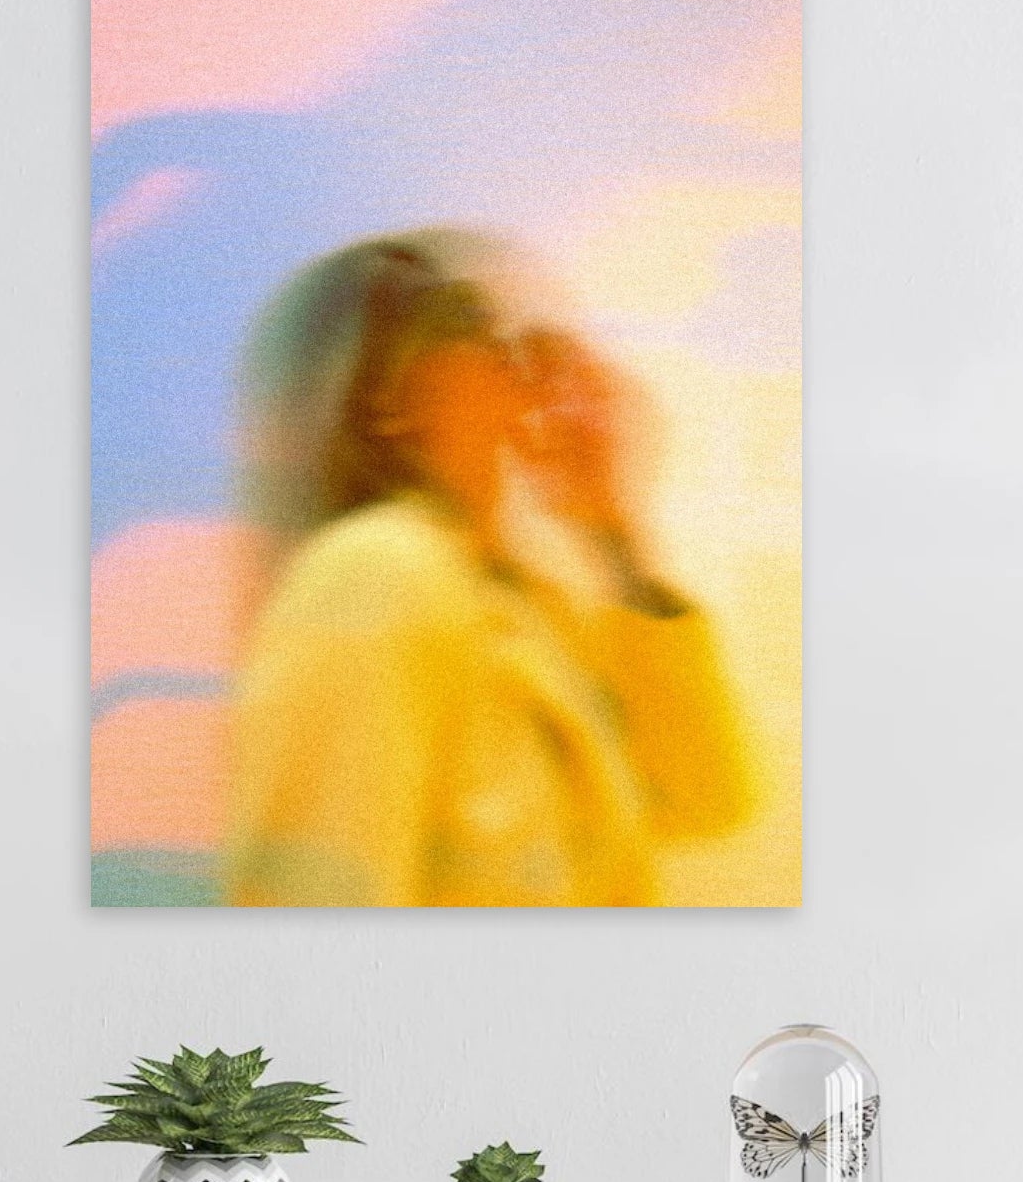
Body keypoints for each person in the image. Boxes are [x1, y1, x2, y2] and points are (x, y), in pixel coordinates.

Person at [223, 233, 754, 907]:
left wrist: (611, 529)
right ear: (388, 399)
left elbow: (703, 802)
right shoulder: (374, 571)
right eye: (469, 320)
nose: (514, 353)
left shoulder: (529, 609)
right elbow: (313, 904)